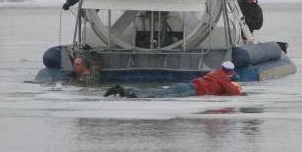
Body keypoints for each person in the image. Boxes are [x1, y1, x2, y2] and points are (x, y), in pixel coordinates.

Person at [103, 61, 242, 98]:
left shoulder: (215, 72)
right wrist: (237, 87)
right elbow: (233, 92)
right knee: (159, 95)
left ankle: (124, 89)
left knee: (158, 91)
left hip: (188, 85)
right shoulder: (224, 78)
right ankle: (134, 95)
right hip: (194, 92)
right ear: (229, 72)